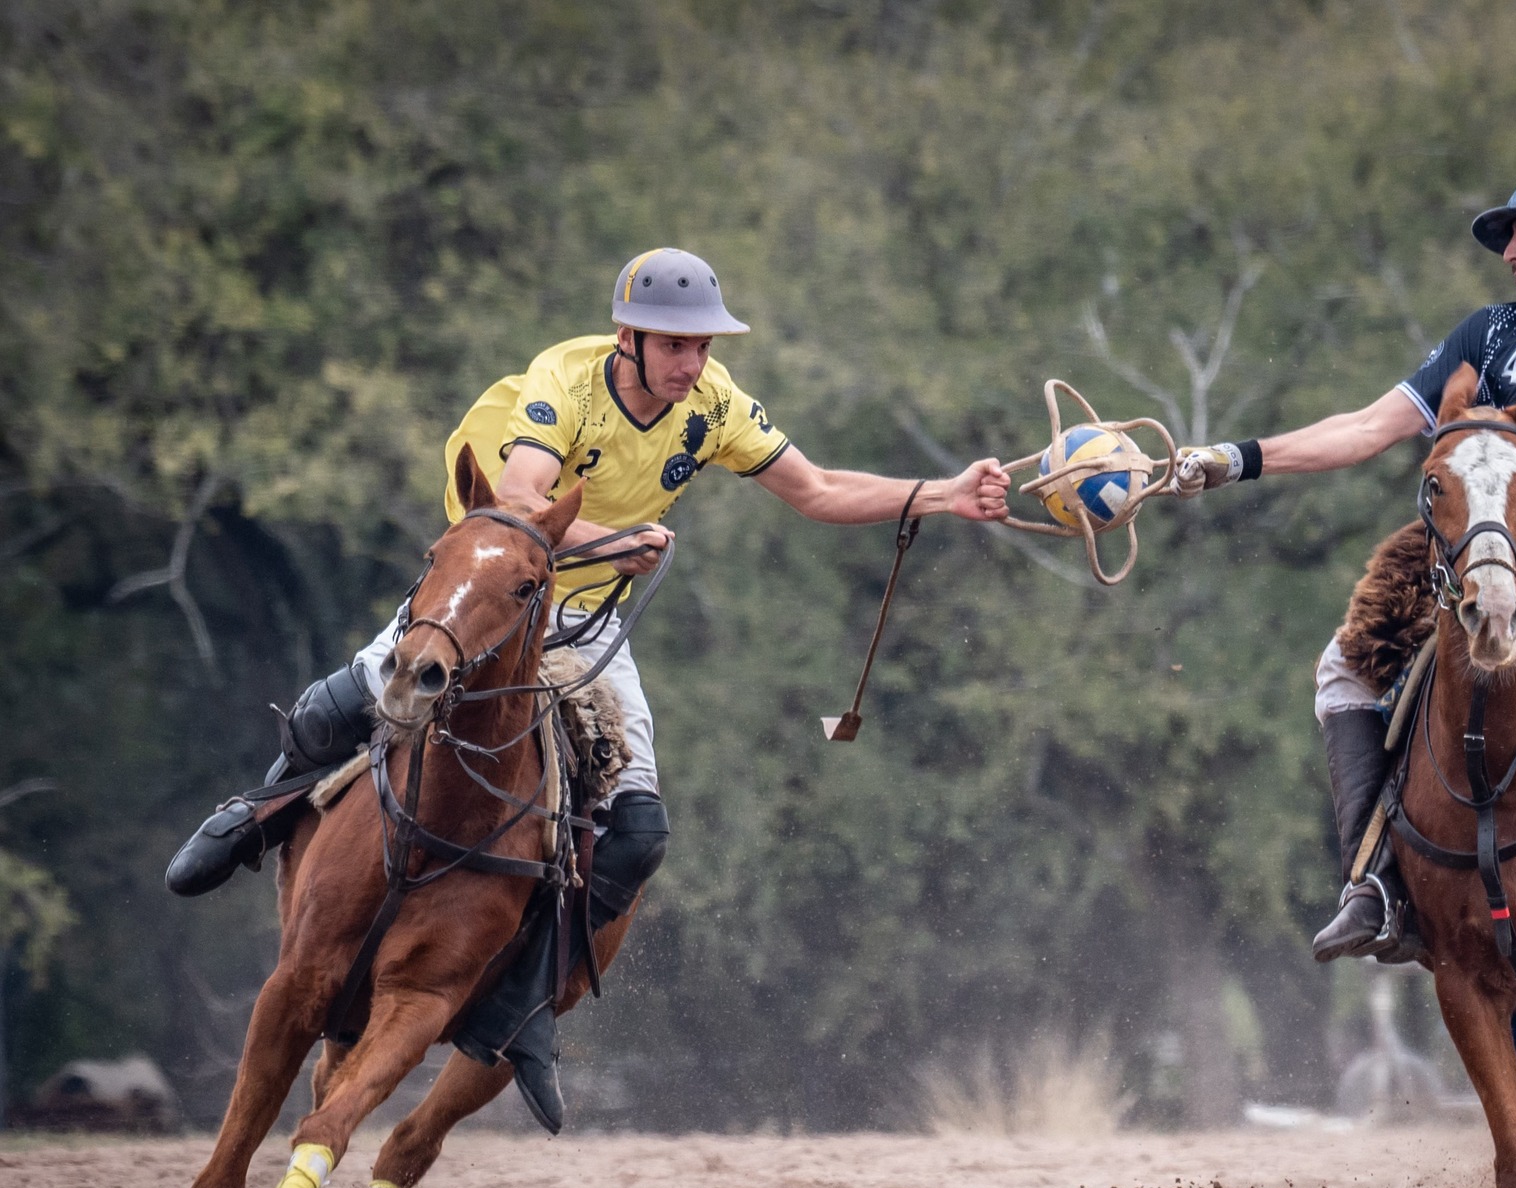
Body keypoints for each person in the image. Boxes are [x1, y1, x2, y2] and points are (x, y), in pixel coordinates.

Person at [166, 248, 1011, 1128]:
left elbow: (820, 488)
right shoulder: (562, 382)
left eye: (704, 346)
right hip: (494, 596)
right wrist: (616, 540)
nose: (694, 363)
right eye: (677, 346)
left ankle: (520, 1006)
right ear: (628, 338)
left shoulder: (714, 405)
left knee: (639, 834)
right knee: (325, 712)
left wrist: (943, 495)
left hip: (591, 629)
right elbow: (525, 500)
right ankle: (249, 817)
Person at [1173, 170, 1516, 962]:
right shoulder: (1489, 333)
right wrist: (1236, 458)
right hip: (1472, 538)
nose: (1510, 251)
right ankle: (1372, 883)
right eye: (1509, 236)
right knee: (1343, 668)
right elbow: (1370, 427)